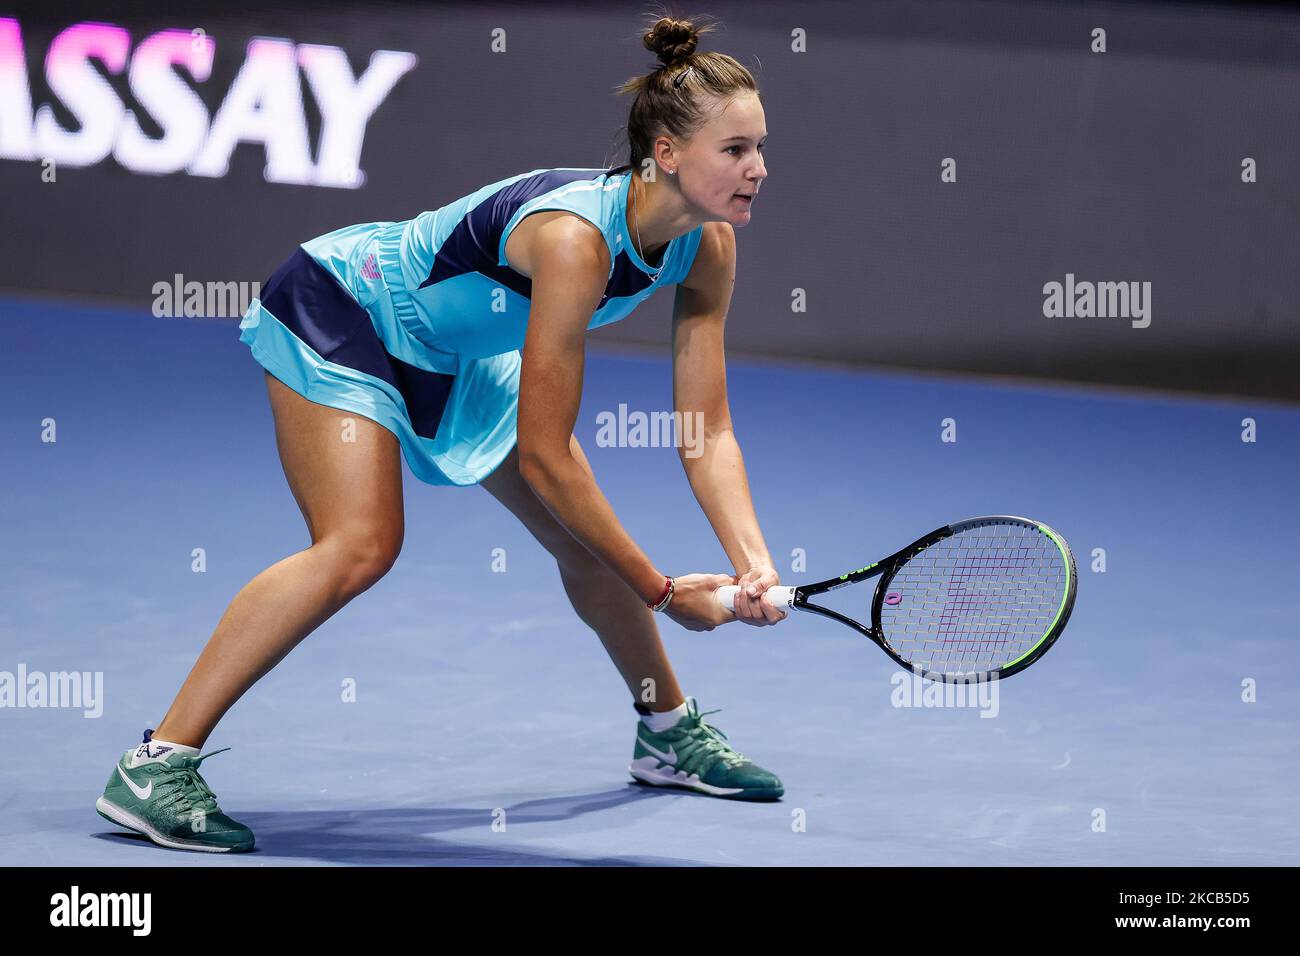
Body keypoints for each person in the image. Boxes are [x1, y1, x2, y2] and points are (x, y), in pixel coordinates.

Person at [96, 12, 781, 854]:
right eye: (735, 149)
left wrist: (752, 562)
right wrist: (666, 594)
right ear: (667, 155)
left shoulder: (706, 244)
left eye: (758, 148)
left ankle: (668, 733)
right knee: (359, 545)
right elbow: (545, 452)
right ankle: (156, 763)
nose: (756, 169)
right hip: (347, 307)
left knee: (587, 543)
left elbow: (704, 428)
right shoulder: (575, 242)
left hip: (460, 350)